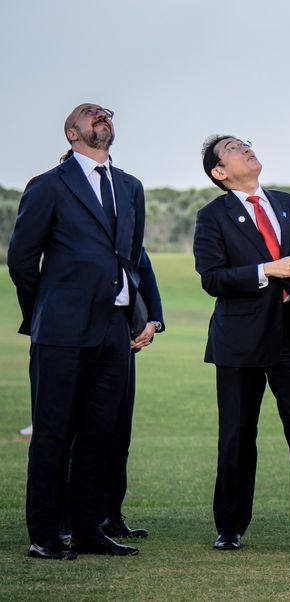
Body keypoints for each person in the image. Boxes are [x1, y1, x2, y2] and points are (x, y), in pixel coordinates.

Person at [8, 103, 145, 559]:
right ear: (72, 133)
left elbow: (132, 257)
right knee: (53, 432)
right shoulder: (47, 186)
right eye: (90, 114)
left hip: (114, 328)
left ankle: (89, 529)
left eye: (106, 113)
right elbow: (22, 260)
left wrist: (138, 312)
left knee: (101, 432)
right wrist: (46, 308)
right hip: (62, 329)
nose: (101, 116)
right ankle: (45, 535)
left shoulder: (130, 187)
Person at [193, 135, 290, 552]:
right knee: (238, 433)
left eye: (246, 144)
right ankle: (230, 526)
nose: (246, 150)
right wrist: (265, 270)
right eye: (234, 149)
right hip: (238, 341)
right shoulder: (212, 216)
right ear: (220, 173)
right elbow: (211, 277)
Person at [101, 247, 165, 540]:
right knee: (81, 436)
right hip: (84, 345)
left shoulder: (132, 241)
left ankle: (111, 515)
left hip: (126, 351)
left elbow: (147, 280)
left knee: (118, 435)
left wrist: (153, 323)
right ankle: (70, 519)